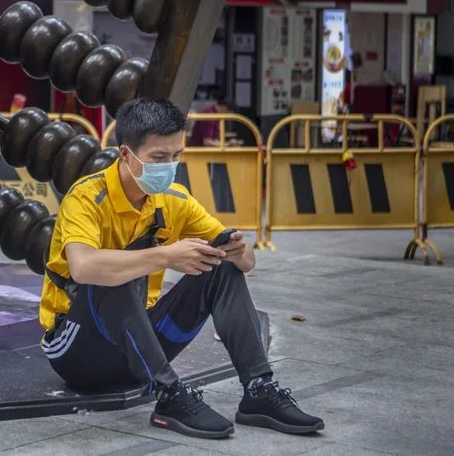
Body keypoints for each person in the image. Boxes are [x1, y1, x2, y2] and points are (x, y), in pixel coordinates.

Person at [40, 97, 323, 440]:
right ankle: (170, 395)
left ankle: (259, 391)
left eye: (176, 156)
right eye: (159, 157)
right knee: (109, 272)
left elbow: (247, 264)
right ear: (126, 155)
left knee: (218, 265)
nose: (169, 166)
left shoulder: (176, 199)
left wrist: (238, 250)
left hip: (141, 343)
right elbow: (83, 267)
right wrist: (166, 257)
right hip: (80, 351)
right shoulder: (86, 198)